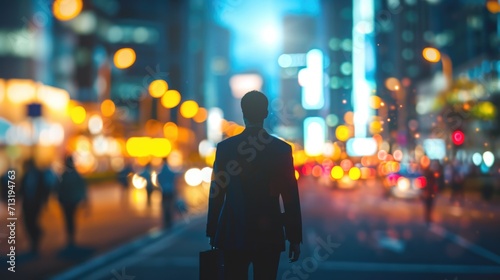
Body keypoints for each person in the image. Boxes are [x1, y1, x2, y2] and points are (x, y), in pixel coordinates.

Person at [206, 90, 302, 280]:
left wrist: (213, 231)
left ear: (243, 113)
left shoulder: (226, 148)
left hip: (233, 231)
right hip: (269, 232)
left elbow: (217, 191)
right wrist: (294, 237)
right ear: (266, 113)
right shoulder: (282, 149)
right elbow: (290, 196)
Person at [20, 158, 50, 254]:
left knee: (33, 221)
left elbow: (44, 188)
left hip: (36, 203)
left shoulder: (39, 175)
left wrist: (45, 202)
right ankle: (36, 235)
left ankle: (35, 242)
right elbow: (21, 189)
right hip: (26, 203)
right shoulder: (25, 176)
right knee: (26, 222)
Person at [57, 156, 88, 247]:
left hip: (71, 200)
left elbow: (82, 188)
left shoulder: (67, 175)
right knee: (69, 219)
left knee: (69, 219)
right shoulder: (67, 174)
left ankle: (71, 238)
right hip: (68, 200)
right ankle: (70, 237)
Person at [156, 159, 177, 229]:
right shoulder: (170, 171)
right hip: (170, 190)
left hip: (164, 191)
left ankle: (166, 221)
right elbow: (174, 177)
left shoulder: (161, 172)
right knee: (170, 206)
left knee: (165, 207)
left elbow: (158, 180)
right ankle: (170, 221)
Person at [422, 160, 439, 226]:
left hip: (429, 192)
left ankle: (427, 218)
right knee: (429, 206)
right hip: (429, 192)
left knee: (428, 206)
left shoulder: (427, 173)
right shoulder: (430, 174)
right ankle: (428, 218)